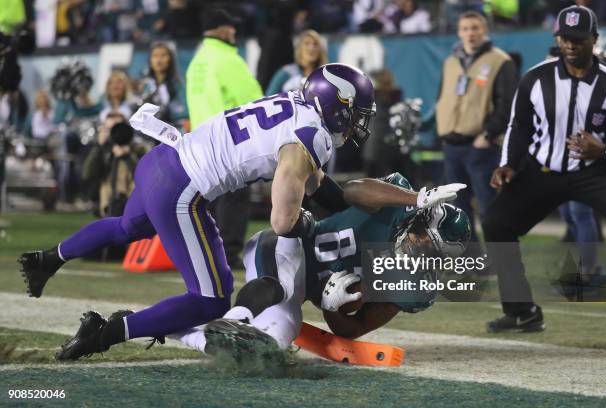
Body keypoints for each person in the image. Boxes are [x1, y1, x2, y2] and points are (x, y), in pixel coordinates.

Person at [18, 62, 406, 361]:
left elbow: (327, 192)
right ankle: (104, 333)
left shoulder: (293, 104)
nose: (358, 121)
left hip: (163, 159)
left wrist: (379, 208)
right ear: (334, 104)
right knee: (212, 299)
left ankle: (47, 259)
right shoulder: (313, 135)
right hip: (182, 190)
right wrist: (300, 222)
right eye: (355, 111)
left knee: (126, 227)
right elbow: (282, 221)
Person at [177, 173, 471, 357]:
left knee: (273, 341)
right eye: (424, 238)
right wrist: (414, 197)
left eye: (433, 251)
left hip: (302, 285)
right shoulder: (395, 203)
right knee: (281, 282)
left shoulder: (414, 285)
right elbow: (351, 191)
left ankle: (181, 330)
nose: (421, 249)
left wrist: (332, 307)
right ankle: (236, 316)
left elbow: (353, 329)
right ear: (417, 217)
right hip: (288, 243)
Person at [483, 5, 606, 333]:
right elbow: (519, 125)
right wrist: (507, 165)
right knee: (497, 222)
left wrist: (604, 149)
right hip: (543, 171)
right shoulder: (536, 77)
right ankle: (521, 310)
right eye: (565, 38)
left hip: (594, 172)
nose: (571, 45)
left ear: (594, 40)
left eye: (579, 39)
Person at [186, 8, 263, 269]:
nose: (234, 32)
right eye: (230, 27)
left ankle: (210, 254)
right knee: (235, 197)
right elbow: (253, 101)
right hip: (229, 139)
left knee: (212, 200)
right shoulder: (228, 60)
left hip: (202, 140)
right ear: (221, 29)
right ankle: (229, 254)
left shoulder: (197, 61)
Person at [435, 10, 516, 258]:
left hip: (480, 145)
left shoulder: (500, 61)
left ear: (485, 30)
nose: (470, 33)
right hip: (452, 144)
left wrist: (489, 135)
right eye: (465, 28)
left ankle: (502, 259)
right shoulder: (450, 62)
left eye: (475, 28)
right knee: (458, 209)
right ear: (459, 32)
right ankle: (474, 260)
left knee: (488, 205)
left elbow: (507, 104)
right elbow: (443, 97)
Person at [138, 42, 187, 130]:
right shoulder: (145, 85)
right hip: (150, 133)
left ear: (170, 59)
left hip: (174, 131)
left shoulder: (179, 85)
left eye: (163, 55)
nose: (159, 60)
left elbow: (183, 112)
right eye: (155, 56)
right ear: (150, 60)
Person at [266, 30, 328, 96]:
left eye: (315, 44)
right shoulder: (285, 73)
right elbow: (268, 98)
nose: (311, 48)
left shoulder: (325, 76)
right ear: (299, 48)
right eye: (307, 44)